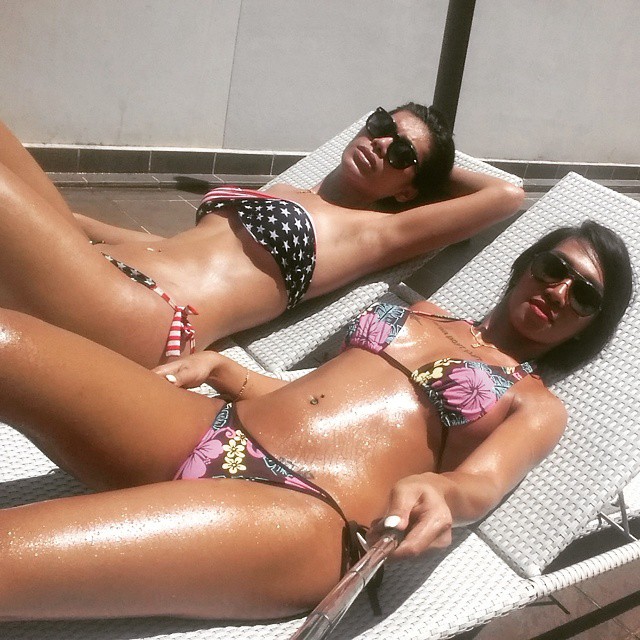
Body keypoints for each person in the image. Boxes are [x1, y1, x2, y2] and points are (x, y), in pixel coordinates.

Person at [0, 221, 632, 621]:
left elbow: (480, 484)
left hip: (303, 511)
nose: (559, 291)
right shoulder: (425, 310)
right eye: (555, 269)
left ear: (588, 327)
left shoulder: (536, 404)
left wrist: (440, 492)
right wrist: (224, 369)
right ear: (527, 265)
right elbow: (317, 397)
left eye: (584, 296)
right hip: (215, 424)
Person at [0, 104, 524, 368]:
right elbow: (175, 248)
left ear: (409, 190)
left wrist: (434, 173)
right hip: (112, 273)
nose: (382, 144)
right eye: (382, 126)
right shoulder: (290, 191)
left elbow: (505, 195)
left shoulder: (375, 231)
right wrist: (74, 222)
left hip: (150, 314)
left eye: (402, 153)